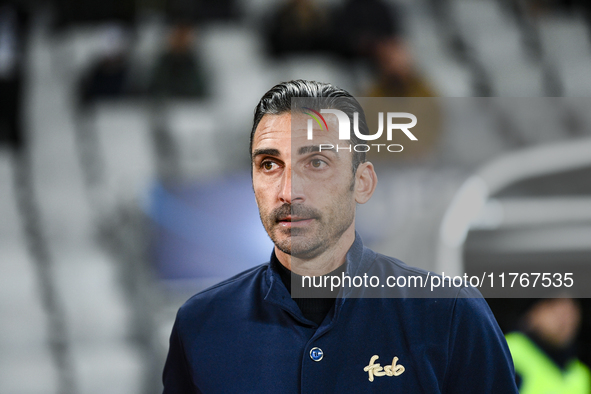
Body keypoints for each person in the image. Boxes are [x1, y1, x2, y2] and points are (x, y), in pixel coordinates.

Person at [162, 80, 519, 393]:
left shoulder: (451, 313)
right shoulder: (201, 323)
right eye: (269, 164)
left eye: (316, 162)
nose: (289, 190)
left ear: (362, 183)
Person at [506, 298, 591, 393]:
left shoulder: (581, 375)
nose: (565, 314)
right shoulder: (507, 351)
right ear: (530, 313)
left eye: (573, 304)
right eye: (552, 304)